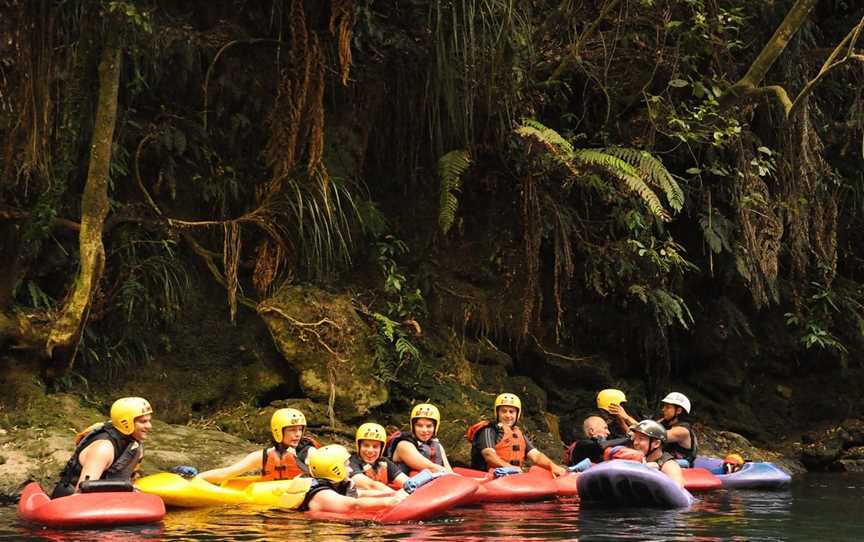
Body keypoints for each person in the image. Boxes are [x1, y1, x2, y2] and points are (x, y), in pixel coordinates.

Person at [52, 397, 153, 498]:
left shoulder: (134, 444)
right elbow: (82, 493)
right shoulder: (103, 449)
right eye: (143, 422)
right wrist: (124, 489)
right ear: (126, 423)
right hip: (70, 502)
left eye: (149, 421)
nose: (149, 426)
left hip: (105, 499)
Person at [197, 408, 319, 483]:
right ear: (278, 431)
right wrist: (196, 479)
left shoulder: (310, 453)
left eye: (300, 430)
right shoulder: (263, 456)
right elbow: (227, 473)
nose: (298, 434)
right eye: (292, 430)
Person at [468, 393, 567, 476]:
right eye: (504, 411)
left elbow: (536, 456)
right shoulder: (489, 430)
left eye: (511, 412)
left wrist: (552, 466)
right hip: (489, 476)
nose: (508, 415)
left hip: (512, 477)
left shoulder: (518, 434)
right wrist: (510, 468)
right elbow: (488, 455)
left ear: (517, 415)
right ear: (497, 413)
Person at [298, 444, 408, 513]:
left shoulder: (337, 485)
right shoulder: (322, 495)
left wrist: (395, 494)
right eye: (346, 465)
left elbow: (361, 494)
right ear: (334, 469)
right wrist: (390, 502)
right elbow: (354, 505)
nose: (350, 470)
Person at [385, 403, 451, 474]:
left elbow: (449, 470)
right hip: (405, 484)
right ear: (413, 427)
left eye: (429, 426)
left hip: (433, 483)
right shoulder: (403, 445)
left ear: (435, 427)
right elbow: (431, 468)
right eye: (419, 426)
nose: (424, 430)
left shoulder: (437, 445)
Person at [349, 423, 408, 491]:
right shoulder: (351, 463)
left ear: (381, 448)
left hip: (386, 497)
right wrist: (396, 495)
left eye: (375, 446)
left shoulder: (384, 462)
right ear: (359, 446)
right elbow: (371, 486)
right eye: (366, 445)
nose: (370, 450)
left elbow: (406, 482)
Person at [627, 419, 684, 488]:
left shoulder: (669, 465)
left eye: (641, 439)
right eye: (635, 438)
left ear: (656, 443)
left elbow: (677, 490)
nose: (635, 443)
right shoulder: (638, 459)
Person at [563, 415, 629, 466]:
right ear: (592, 431)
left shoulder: (597, 447)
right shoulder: (581, 444)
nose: (608, 432)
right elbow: (600, 445)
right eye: (605, 428)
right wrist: (629, 439)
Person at [658, 392, 698, 466]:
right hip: (665, 460)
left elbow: (653, 434)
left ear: (678, 411)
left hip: (681, 466)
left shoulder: (682, 431)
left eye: (667, 407)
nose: (663, 409)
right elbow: (643, 427)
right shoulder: (664, 422)